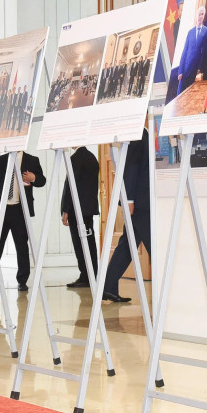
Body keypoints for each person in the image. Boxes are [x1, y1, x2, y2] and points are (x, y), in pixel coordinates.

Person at [0, 150, 46, 292]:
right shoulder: (0, 160)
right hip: (1, 209)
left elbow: (42, 181)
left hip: (20, 210)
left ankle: (22, 281)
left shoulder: (32, 160)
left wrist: (33, 178)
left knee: (22, 247)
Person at [103, 128, 151, 303]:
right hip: (139, 201)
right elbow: (132, 167)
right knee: (152, 243)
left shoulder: (140, 133)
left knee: (128, 244)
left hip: (139, 199)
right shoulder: (138, 133)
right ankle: (167, 284)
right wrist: (128, 199)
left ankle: (107, 287)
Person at [62, 147, 100, 289]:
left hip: (77, 210)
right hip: (88, 209)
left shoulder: (76, 158)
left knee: (80, 244)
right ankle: (92, 274)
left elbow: (71, 185)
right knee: (90, 243)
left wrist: (66, 209)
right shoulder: (91, 157)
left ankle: (85, 276)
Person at [176, 6, 207, 95]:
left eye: (202, 14)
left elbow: (203, 52)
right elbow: (184, 51)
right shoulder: (190, 32)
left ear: (204, 16)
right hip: (185, 68)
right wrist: (180, 71)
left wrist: (200, 68)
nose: (200, 16)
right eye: (199, 14)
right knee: (180, 94)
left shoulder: (205, 31)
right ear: (196, 16)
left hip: (195, 70)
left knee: (190, 93)